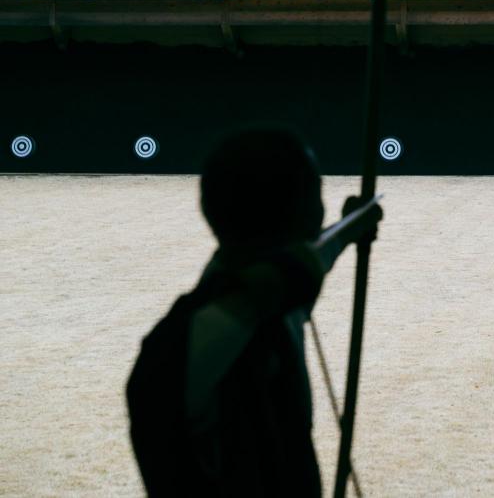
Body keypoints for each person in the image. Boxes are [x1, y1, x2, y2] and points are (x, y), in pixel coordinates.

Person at [126, 126, 379, 497]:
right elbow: (291, 274)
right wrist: (334, 239)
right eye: (315, 196)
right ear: (301, 214)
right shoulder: (182, 346)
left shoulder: (277, 303)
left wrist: (349, 228)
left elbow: (311, 257)